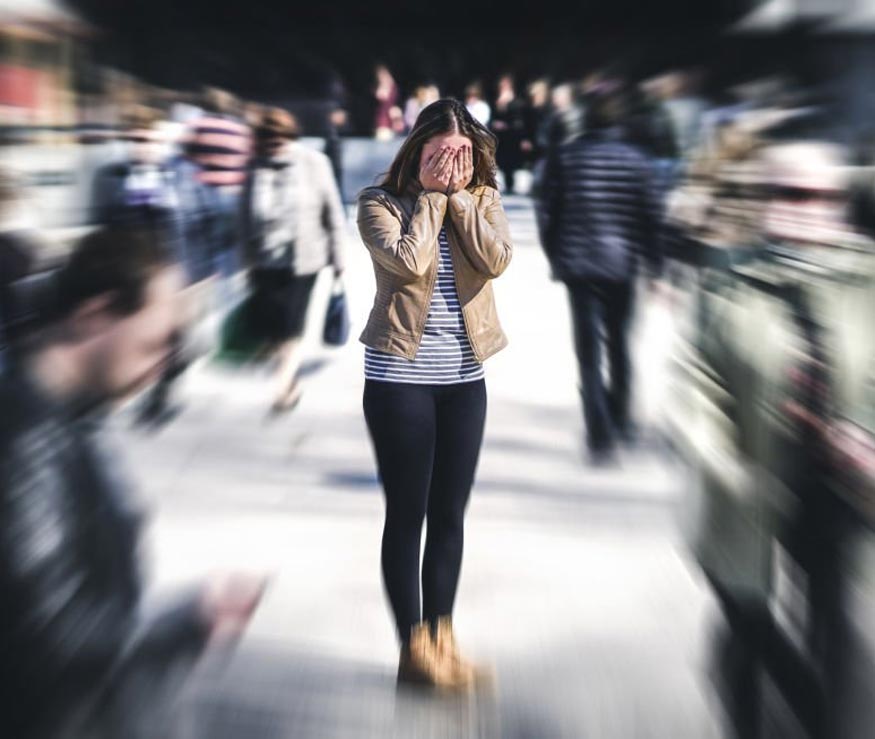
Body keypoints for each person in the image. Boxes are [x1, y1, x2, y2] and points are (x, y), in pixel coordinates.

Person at [0, 227, 265, 738]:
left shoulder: (67, 419)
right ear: (95, 317)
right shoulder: (25, 440)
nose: (168, 361)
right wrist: (191, 621)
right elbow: (51, 637)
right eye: (159, 340)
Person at [357, 98, 512, 690]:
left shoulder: (485, 200)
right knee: (408, 514)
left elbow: (495, 260)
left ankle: (443, 640)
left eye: (463, 155)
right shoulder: (380, 203)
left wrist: (462, 201)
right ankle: (412, 649)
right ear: (416, 151)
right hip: (401, 380)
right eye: (441, 154)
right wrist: (430, 197)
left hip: (465, 382)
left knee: (450, 514)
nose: (454, 164)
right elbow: (410, 262)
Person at [536, 86, 661, 464]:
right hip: (622, 265)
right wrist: (655, 264)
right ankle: (621, 419)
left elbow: (548, 211)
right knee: (620, 343)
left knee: (588, 354)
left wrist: (556, 254)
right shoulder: (636, 160)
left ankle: (600, 433)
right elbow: (650, 216)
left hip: (579, 265)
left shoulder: (566, 157)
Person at [242, 108, 347, 413]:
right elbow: (243, 217)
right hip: (264, 261)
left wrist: (339, 257)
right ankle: (289, 378)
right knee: (275, 327)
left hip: (304, 260)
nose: (275, 146)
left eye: (279, 140)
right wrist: (245, 260)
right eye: (268, 141)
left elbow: (333, 212)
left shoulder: (314, 163)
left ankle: (282, 387)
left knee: (291, 325)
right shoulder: (254, 166)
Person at [490, 73, 526, 194]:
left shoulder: (516, 102)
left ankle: (511, 185)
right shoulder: (498, 101)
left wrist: (506, 125)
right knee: (502, 161)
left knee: (511, 161)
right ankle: (507, 184)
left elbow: (519, 121)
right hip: (501, 137)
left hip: (512, 137)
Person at [373, 64, 403, 141]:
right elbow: (380, 96)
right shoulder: (382, 86)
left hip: (393, 123)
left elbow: (383, 96)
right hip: (383, 123)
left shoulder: (393, 87)